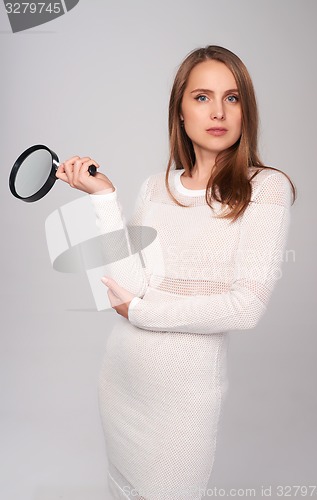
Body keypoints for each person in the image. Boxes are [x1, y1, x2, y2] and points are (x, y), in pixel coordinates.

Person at [56, 45, 297, 500]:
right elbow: (129, 288)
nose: (219, 110)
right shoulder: (155, 187)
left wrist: (142, 312)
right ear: (180, 112)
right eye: (202, 97)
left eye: (233, 97)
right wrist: (103, 198)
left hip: (184, 397)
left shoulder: (265, 188)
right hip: (122, 379)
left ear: (246, 111)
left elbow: (245, 308)